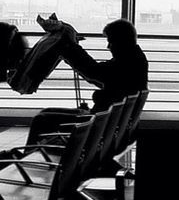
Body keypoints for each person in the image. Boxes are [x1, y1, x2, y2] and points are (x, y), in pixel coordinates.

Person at [23, 17, 148, 146]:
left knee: (41, 119)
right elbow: (100, 76)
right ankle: (32, 153)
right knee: (45, 114)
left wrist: (70, 49)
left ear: (121, 42)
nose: (108, 46)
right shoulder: (135, 59)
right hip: (108, 122)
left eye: (111, 42)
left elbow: (94, 72)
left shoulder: (126, 62)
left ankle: (29, 157)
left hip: (99, 124)